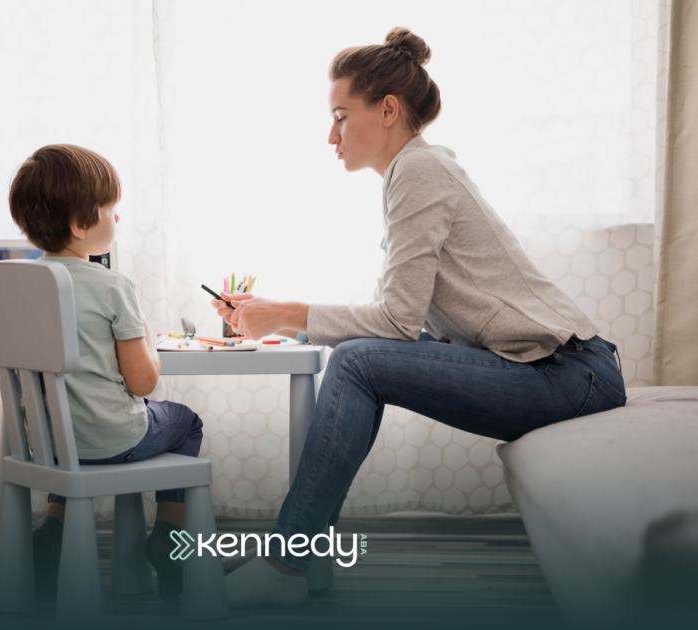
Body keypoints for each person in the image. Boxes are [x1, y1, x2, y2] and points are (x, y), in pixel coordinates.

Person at [211, 27, 627, 608]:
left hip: (570, 374)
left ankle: (285, 563)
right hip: (557, 370)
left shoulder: (419, 171)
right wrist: (282, 321)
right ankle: (297, 559)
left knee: (356, 363)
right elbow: (408, 325)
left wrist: (284, 311)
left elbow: (397, 322)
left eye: (339, 115)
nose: (329, 134)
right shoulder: (414, 172)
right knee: (358, 359)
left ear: (387, 110)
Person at [9, 144, 203, 605]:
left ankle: (53, 528)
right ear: (80, 224)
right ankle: (168, 533)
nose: (118, 219)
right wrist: (148, 343)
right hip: (115, 441)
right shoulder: (113, 286)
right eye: (112, 210)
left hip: (50, 446)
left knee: (72, 423)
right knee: (186, 421)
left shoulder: (19, 288)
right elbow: (142, 384)